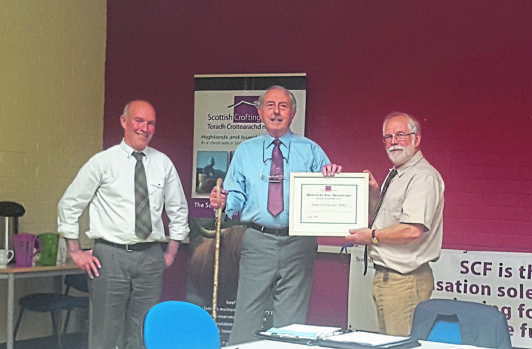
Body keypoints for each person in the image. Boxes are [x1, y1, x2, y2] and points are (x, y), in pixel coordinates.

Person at [210, 85, 341, 344]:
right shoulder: (245, 151)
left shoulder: (311, 150)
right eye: (270, 105)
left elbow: (329, 193)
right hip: (257, 240)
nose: (276, 111)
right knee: (247, 315)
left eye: (283, 106)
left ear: (293, 113)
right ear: (260, 112)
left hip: (299, 243)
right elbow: (235, 198)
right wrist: (224, 202)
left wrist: (333, 177)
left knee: (291, 322)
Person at [58, 100, 190, 349]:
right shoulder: (102, 162)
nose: (145, 128)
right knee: (105, 333)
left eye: (150, 123)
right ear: (124, 122)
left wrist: (171, 251)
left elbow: (178, 209)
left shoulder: (163, 163)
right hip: (110, 257)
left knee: (143, 333)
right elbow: (70, 203)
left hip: (150, 257)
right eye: (139, 121)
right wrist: (74, 250)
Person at [347, 112, 444, 336]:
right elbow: (386, 220)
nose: (393, 142)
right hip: (388, 278)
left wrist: (370, 236)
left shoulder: (422, 177)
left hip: (405, 281)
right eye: (388, 137)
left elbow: (411, 230)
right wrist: (374, 194)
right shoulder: (398, 174)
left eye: (400, 135)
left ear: (416, 139)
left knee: (400, 344)